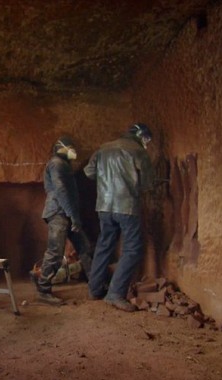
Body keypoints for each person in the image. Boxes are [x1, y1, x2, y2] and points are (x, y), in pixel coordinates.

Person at [83, 123, 154, 312]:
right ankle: (115, 293)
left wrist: (106, 180)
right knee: (133, 249)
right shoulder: (138, 151)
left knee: (104, 245)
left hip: (104, 206)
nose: (146, 143)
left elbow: (89, 172)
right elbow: (148, 184)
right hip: (127, 207)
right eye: (146, 139)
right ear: (140, 136)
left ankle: (94, 289)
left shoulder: (103, 148)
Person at [34, 135, 93, 305]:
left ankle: (96, 284)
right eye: (70, 147)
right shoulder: (57, 164)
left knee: (84, 247)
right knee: (55, 253)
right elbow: (61, 192)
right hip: (59, 214)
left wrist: (73, 215)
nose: (74, 150)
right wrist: (73, 216)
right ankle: (43, 290)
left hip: (64, 213)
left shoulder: (62, 165)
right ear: (61, 149)